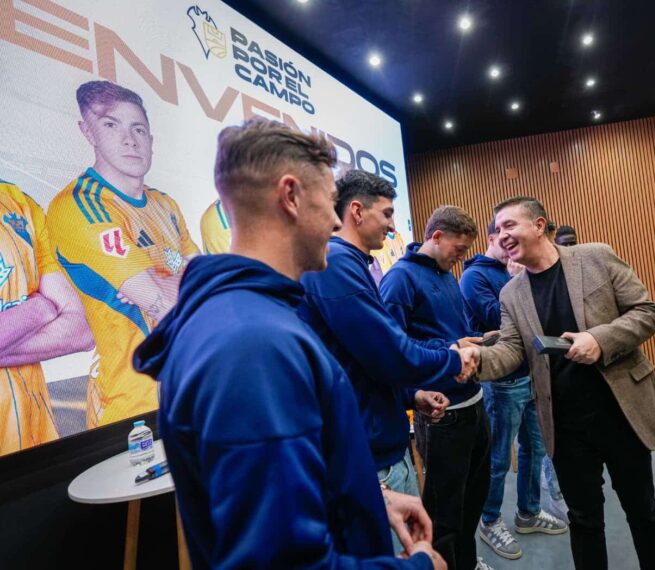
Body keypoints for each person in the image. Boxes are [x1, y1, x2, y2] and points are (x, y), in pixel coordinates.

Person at [133, 119, 444, 569]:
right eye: (327, 202)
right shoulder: (253, 344)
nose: (337, 220)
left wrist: (370, 499)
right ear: (291, 195)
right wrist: (417, 567)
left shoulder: (251, 320)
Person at [470, 196, 655, 569]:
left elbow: (648, 312)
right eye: (497, 230)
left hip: (621, 411)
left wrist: (600, 340)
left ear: (539, 224)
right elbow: (513, 351)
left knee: (642, 510)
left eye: (509, 225)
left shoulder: (596, 257)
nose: (502, 234)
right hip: (564, 424)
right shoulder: (511, 293)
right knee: (583, 519)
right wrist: (474, 361)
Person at [299, 170, 476, 550]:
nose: (393, 224)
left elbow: (362, 360)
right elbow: (388, 352)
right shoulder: (336, 263)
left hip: (383, 445)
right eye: (387, 213)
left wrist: (409, 397)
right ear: (357, 211)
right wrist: (452, 360)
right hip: (370, 457)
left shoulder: (353, 264)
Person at [46, 80, 199, 427]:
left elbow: (196, 273)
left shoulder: (164, 204)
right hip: (133, 408)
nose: (129, 139)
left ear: (151, 141)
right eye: (110, 125)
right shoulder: (80, 206)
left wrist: (163, 271)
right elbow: (166, 307)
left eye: (138, 129)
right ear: (88, 132)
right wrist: (169, 280)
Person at [380, 206, 493, 570]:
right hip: (442, 413)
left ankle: (468, 563)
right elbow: (394, 350)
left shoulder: (446, 275)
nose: (462, 258)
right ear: (437, 236)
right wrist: (450, 350)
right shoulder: (399, 280)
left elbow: (446, 336)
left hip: (475, 402)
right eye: (458, 249)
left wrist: (468, 341)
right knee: (444, 512)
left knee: (473, 499)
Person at [459, 219, 567, 560]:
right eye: (502, 237)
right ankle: (490, 521)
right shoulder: (475, 276)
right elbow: (502, 319)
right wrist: (519, 279)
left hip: (532, 374)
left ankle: (528, 512)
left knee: (535, 450)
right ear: (492, 238)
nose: (509, 243)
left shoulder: (517, 271)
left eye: (513, 236)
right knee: (498, 459)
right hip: (503, 380)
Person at [0, 180, 93, 455]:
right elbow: (56, 308)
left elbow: (81, 329)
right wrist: (38, 309)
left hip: (35, 448)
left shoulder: (18, 201)